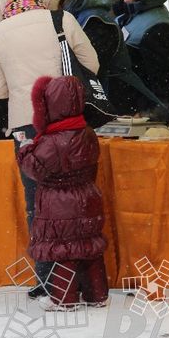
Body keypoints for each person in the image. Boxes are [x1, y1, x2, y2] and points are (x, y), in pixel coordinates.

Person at [0, 0, 98, 296]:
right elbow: (91, 65)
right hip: (69, 123)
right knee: (76, 197)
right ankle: (82, 275)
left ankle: (46, 279)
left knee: (38, 203)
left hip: (27, 127)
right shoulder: (62, 20)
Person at [16, 75, 108, 308]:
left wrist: (25, 149)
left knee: (64, 251)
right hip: (88, 197)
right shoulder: (87, 132)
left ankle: (63, 299)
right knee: (89, 248)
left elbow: (35, 169)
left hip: (60, 203)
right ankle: (96, 294)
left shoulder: (52, 141)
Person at [65, 0, 169, 120]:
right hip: (118, 96)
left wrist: (163, 110)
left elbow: (163, 78)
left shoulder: (95, 20)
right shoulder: (86, 17)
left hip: (119, 98)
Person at [116, 0, 169, 121]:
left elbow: (165, 85)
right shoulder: (131, 17)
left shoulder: (160, 28)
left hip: (142, 120)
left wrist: (150, 115)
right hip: (128, 114)